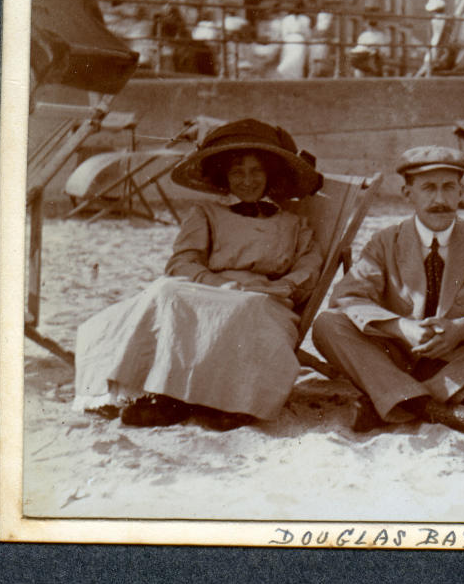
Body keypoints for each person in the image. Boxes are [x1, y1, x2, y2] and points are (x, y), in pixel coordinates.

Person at [74, 119, 324, 431]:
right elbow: (183, 261)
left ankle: (236, 402)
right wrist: (218, 282)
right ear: (224, 176)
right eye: (238, 171)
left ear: (270, 174)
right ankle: (168, 397)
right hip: (211, 288)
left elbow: (309, 266)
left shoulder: (293, 223)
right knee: (166, 292)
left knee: (247, 308)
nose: (247, 180)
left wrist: (284, 286)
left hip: (264, 298)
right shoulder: (207, 213)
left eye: (256, 171)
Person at [312, 146, 464, 434]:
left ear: (461, 192)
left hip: (460, 366)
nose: (440, 200)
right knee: (327, 324)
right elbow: (347, 297)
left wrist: (461, 328)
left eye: (449, 188)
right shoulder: (385, 242)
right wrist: (400, 327)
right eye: (429, 188)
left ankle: (397, 400)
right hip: (396, 360)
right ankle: (434, 410)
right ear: (408, 194)